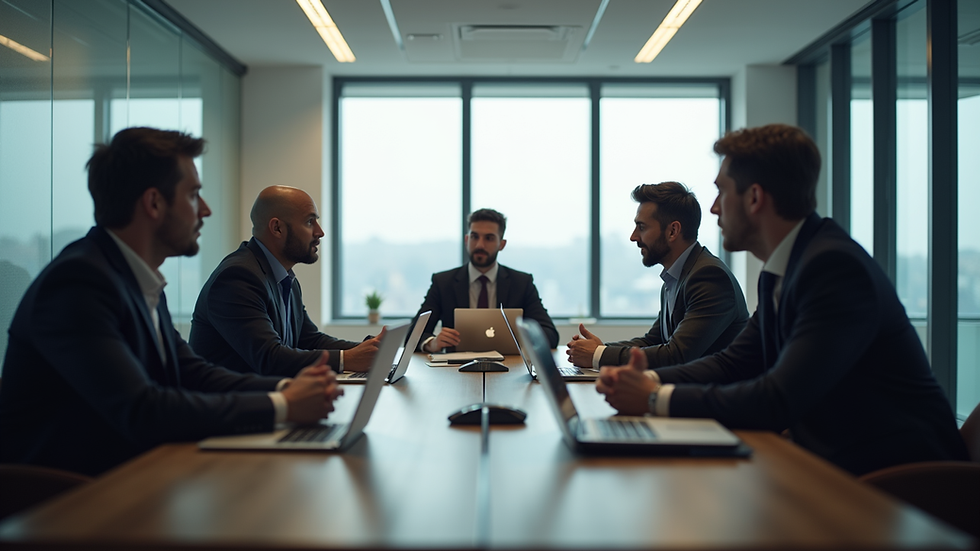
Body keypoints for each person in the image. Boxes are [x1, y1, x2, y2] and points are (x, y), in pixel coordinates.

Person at [596, 124, 967, 476]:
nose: (713, 208)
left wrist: (653, 398)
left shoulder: (833, 269)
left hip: (905, 482)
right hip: (840, 464)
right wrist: (643, 380)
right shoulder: (786, 267)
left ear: (755, 198)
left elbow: (777, 399)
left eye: (721, 192)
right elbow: (734, 364)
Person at [0, 128, 343, 477]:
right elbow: (143, 409)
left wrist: (289, 389)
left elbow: (192, 373)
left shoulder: (139, 281)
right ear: (153, 203)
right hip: (64, 499)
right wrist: (283, 405)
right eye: (194, 194)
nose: (206, 210)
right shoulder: (78, 283)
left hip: (128, 475)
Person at [190, 186, 382, 377]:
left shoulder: (284, 277)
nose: (320, 232)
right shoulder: (237, 277)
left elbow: (308, 340)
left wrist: (367, 350)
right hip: (232, 404)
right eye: (309, 222)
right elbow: (269, 358)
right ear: (277, 228)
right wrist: (346, 359)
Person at [566, 182, 748, 369]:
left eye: (642, 227)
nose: (633, 236)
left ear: (672, 231)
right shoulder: (676, 277)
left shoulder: (709, 277)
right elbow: (653, 341)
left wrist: (598, 355)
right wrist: (598, 349)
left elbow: (676, 354)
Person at [414, 208, 559, 352]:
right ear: (466, 240)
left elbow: (551, 335)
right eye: (474, 237)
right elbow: (413, 336)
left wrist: (520, 337)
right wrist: (432, 343)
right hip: (456, 370)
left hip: (509, 368)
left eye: (489, 238)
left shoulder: (521, 283)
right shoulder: (443, 282)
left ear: (501, 244)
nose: (480, 245)